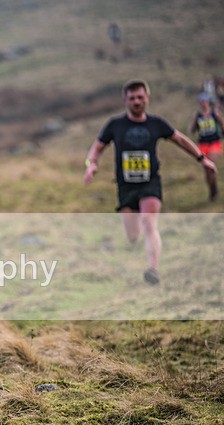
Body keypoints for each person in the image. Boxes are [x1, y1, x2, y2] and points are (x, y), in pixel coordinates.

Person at [83, 79, 218, 285]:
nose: (136, 101)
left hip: (150, 183)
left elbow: (180, 140)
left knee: (149, 222)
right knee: (132, 236)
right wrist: (91, 164)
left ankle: (153, 269)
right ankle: (137, 252)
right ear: (125, 100)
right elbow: (97, 147)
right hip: (126, 186)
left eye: (140, 97)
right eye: (132, 98)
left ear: (147, 99)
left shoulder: (156, 124)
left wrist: (202, 159)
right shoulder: (115, 125)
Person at [189, 92, 223, 200]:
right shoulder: (198, 115)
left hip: (214, 142)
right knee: (206, 169)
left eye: (205, 101)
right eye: (201, 102)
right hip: (203, 144)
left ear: (208, 102)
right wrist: (193, 125)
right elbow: (193, 130)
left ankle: (214, 189)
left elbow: (222, 125)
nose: (203, 104)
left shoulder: (214, 113)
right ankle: (212, 189)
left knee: (211, 163)